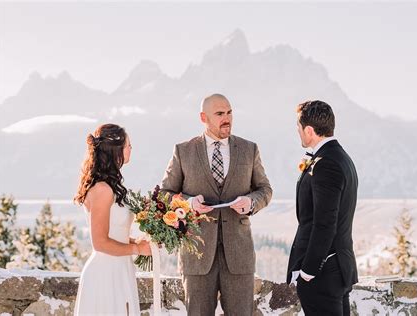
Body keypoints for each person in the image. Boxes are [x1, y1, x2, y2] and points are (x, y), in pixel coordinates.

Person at [161, 93, 272, 315]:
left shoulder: (249, 149)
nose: (226, 118)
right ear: (204, 117)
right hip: (197, 258)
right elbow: (164, 194)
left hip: (239, 256)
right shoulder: (183, 151)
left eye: (229, 112)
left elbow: (265, 190)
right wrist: (189, 203)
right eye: (220, 114)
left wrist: (250, 202)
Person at [287, 100, 359, 315]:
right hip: (338, 266)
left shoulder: (326, 163)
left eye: (299, 129)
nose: (298, 133)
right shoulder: (342, 157)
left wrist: (308, 271)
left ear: (309, 130)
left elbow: (325, 222)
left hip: (323, 273)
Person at [73, 123, 151, 315]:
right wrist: (136, 249)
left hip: (120, 268)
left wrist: (137, 242)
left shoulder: (109, 187)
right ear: (116, 150)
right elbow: (100, 242)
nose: (131, 149)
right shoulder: (102, 190)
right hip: (105, 274)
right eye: (128, 145)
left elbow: (114, 234)